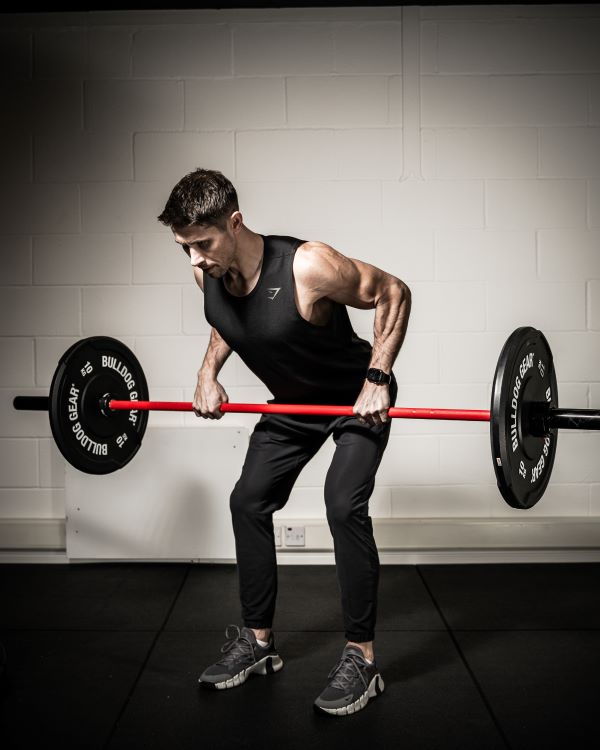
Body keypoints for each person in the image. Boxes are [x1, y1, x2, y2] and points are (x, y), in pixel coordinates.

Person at [158, 169, 411, 716]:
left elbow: (393, 291)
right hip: (293, 407)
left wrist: (378, 378)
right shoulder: (210, 275)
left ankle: (361, 658)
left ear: (235, 222)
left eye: (202, 244)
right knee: (247, 501)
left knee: (343, 505)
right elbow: (229, 321)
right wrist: (207, 373)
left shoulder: (308, 266)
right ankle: (257, 643)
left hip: (353, 402)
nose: (194, 260)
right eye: (184, 248)